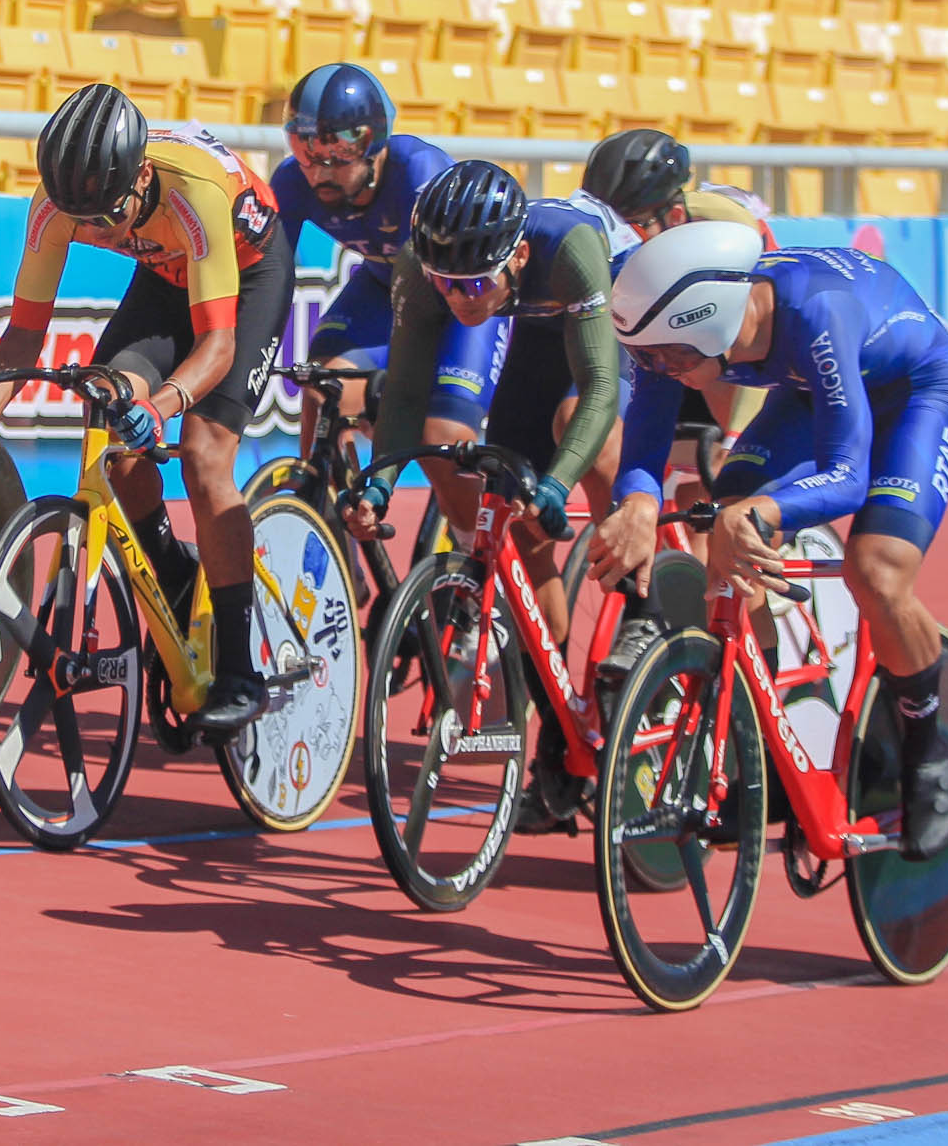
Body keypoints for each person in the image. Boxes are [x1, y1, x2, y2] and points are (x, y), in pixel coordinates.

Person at [590, 221, 948, 860]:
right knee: (721, 525)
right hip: (809, 392)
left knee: (875, 570)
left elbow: (847, 478)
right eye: (648, 359)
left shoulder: (815, 313)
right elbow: (646, 433)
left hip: (913, 395)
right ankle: (768, 751)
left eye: (671, 358)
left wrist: (764, 510)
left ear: (710, 322)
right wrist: (637, 502)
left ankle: (929, 750)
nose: (662, 371)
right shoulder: (671, 324)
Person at [0, 84, 293, 737]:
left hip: (247, 275)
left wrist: (160, 406)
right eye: (85, 222)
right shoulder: (58, 204)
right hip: (164, 280)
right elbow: (23, 333)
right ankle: (177, 575)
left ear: (143, 174)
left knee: (203, 452)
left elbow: (217, 346)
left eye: (107, 216)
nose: (97, 230)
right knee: (108, 408)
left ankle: (242, 670)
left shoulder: (195, 191)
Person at [345, 159, 639, 831]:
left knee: (579, 430)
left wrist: (561, 483)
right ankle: (561, 738)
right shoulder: (429, 268)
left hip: (622, 312)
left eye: (475, 283)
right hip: (537, 323)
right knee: (514, 513)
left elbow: (598, 388)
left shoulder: (570, 247)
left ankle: (643, 596)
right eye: (447, 285)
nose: (460, 300)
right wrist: (381, 484)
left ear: (519, 254)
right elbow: (410, 391)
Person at [578, 128, 780, 676]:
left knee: (724, 523)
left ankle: (758, 684)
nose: (626, 236)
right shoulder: (610, 238)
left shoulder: (728, 228)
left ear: (674, 211)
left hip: (734, 365)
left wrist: (734, 446)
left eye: (636, 222)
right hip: (668, 357)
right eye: (615, 221)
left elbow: (755, 352)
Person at [271, 63, 508, 460]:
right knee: (323, 387)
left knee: (441, 433)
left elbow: (437, 298)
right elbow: (269, 276)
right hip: (384, 288)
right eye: (305, 151)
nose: (319, 171)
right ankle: (329, 510)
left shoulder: (419, 173)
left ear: (374, 146)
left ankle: (470, 526)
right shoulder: (293, 181)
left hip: (459, 300)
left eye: (338, 154)